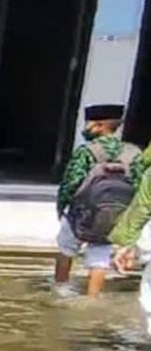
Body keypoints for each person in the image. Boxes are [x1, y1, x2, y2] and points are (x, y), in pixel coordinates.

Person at [55, 104, 143, 298]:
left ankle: (61, 289)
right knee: (100, 256)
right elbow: (139, 186)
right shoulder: (134, 153)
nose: (85, 128)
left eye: (88, 123)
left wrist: (61, 208)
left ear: (100, 126)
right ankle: (93, 299)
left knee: (66, 248)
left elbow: (70, 183)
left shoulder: (87, 152)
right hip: (114, 214)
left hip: (81, 213)